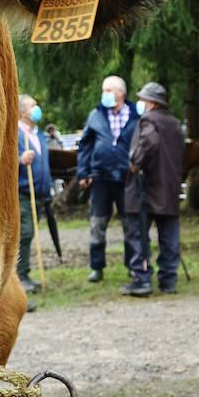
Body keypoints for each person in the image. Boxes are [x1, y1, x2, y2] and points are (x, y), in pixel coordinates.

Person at [121, 82, 185, 297]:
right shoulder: (175, 124)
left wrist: (135, 162)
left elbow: (149, 142)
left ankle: (142, 278)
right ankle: (169, 279)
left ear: (152, 103)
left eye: (143, 99)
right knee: (169, 236)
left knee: (138, 236)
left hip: (145, 188)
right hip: (169, 188)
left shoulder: (148, 120)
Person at [76, 76, 139, 283]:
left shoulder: (136, 115)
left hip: (127, 178)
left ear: (121, 93)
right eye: (104, 90)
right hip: (100, 178)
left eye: (109, 90)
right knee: (97, 223)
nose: (105, 94)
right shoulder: (95, 115)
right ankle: (96, 267)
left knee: (130, 223)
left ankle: (133, 265)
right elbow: (85, 145)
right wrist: (84, 173)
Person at [16, 94, 52, 298]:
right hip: (22, 191)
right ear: (22, 112)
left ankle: (26, 274)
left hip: (39, 192)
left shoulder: (38, 134)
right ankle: (20, 275)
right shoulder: (15, 133)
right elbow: (6, 160)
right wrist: (20, 159)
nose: (36, 109)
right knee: (26, 232)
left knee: (32, 231)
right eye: (32, 106)